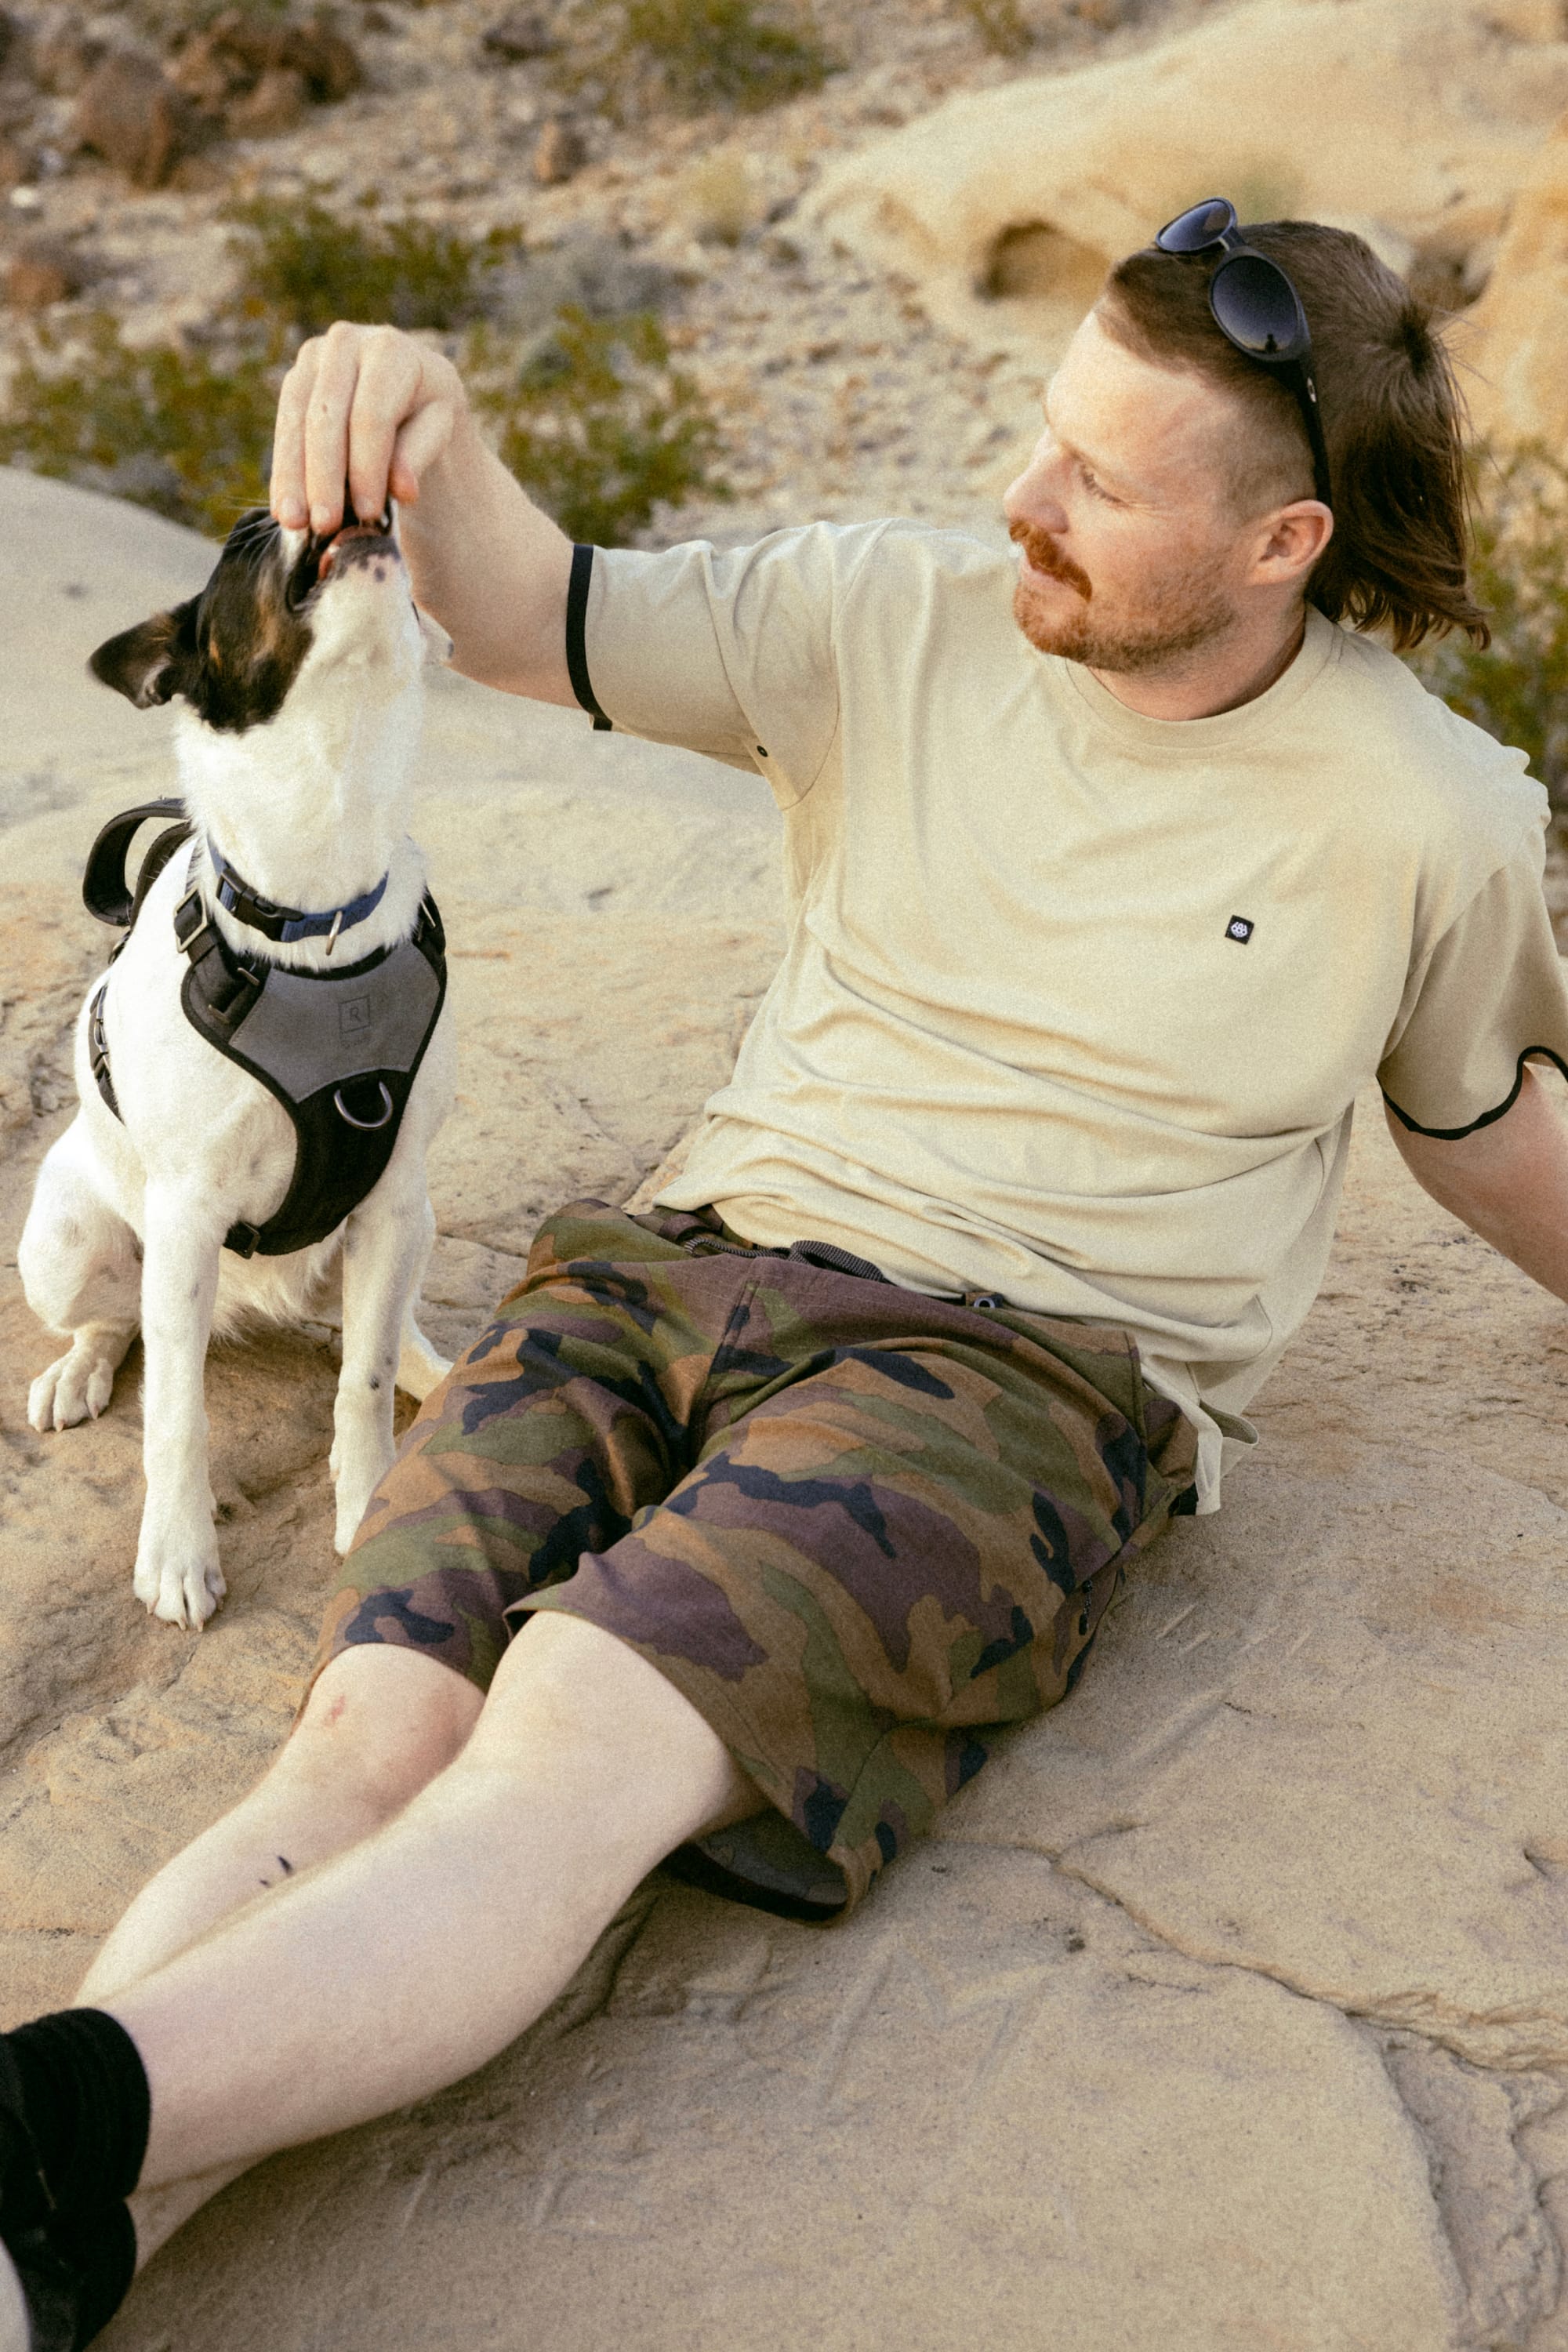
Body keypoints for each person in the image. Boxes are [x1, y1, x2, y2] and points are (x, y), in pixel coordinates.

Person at [5, 205, 1568, 2352]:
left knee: (558, 1757)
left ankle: (41, 2127)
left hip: (1006, 1379)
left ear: (1287, 539)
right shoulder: (883, 614)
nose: (1020, 497)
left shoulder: (1428, 811)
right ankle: (46, 2241)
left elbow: (1487, 1130)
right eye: (1043, 436)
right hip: (673, 1265)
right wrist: (417, 416)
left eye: (1100, 486)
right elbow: (530, 613)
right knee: (360, 1746)